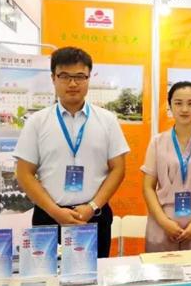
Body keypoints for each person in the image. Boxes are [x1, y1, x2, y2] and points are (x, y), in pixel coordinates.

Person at [14, 47, 129, 258]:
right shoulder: (37, 122)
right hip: (49, 218)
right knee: (48, 276)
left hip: (94, 217)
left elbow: (118, 169)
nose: (73, 83)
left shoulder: (107, 120)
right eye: (65, 76)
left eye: (79, 76)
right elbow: (24, 173)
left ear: (88, 78)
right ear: (53, 78)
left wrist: (92, 207)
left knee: (94, 276)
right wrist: (55, 211)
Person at [141, 81, 191, 260]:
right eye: (178, 103)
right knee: (161, 274)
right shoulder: (157, 142)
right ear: (170, 105)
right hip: (163, 223)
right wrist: (164, 221)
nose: (184, 109)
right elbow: (148, 186)